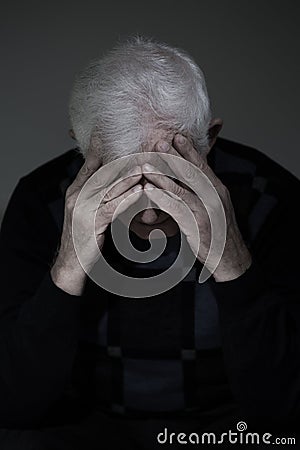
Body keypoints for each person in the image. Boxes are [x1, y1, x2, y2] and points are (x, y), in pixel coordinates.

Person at [0, 36, 299, 450]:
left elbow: (286, 407)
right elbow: (14, 403)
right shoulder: (41, 201)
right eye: (119, 178)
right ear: (81, 149)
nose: (150, 214)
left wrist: (232, 261)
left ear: (208, 140)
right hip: (86, 427)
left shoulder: (271, 196)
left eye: (168, 173)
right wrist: (68, 266)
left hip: (226, 429)